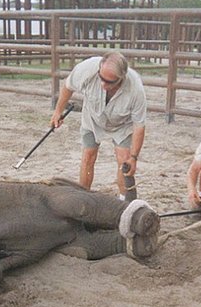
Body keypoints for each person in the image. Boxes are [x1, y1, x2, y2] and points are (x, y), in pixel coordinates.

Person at [50, 51, 146, 199]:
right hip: (92, 118)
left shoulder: (136, 89)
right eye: (101, 78)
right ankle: (84, 198)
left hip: (121, 124)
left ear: (121, 78)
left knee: (124, 160)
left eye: (109, 82)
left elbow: (139, 126)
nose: (103, 84)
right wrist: (58, 112)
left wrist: (134, 157)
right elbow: (68, 86)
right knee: (88, 156)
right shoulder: (87, 69)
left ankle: (123, 201)